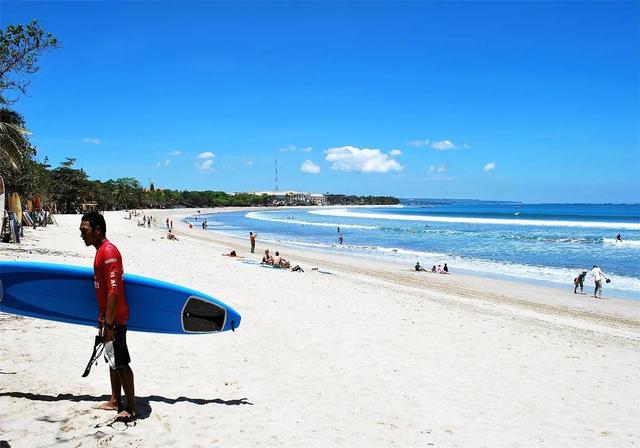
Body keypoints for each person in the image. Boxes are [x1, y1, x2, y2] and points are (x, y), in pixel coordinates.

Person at [79, 212, 136, 421]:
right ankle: (114, 400)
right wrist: (104, 319)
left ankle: (130, 406)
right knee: (112, 360)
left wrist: (110, 324)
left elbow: (114, 291)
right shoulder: (100, 251)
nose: (82, 235)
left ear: (98, 230)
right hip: (107, 317)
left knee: (121, 362)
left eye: (84, 231)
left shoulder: (109, 252)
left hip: (116, 319)